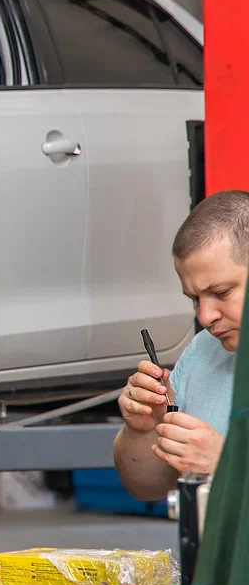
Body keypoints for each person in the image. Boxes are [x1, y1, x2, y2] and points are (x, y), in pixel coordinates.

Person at [113, 189, 249, 501]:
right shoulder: (203, 353)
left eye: (221, 292)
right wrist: (143, 430)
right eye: (195, 299)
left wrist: (225, 467)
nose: (205, 316)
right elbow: (149, 488)